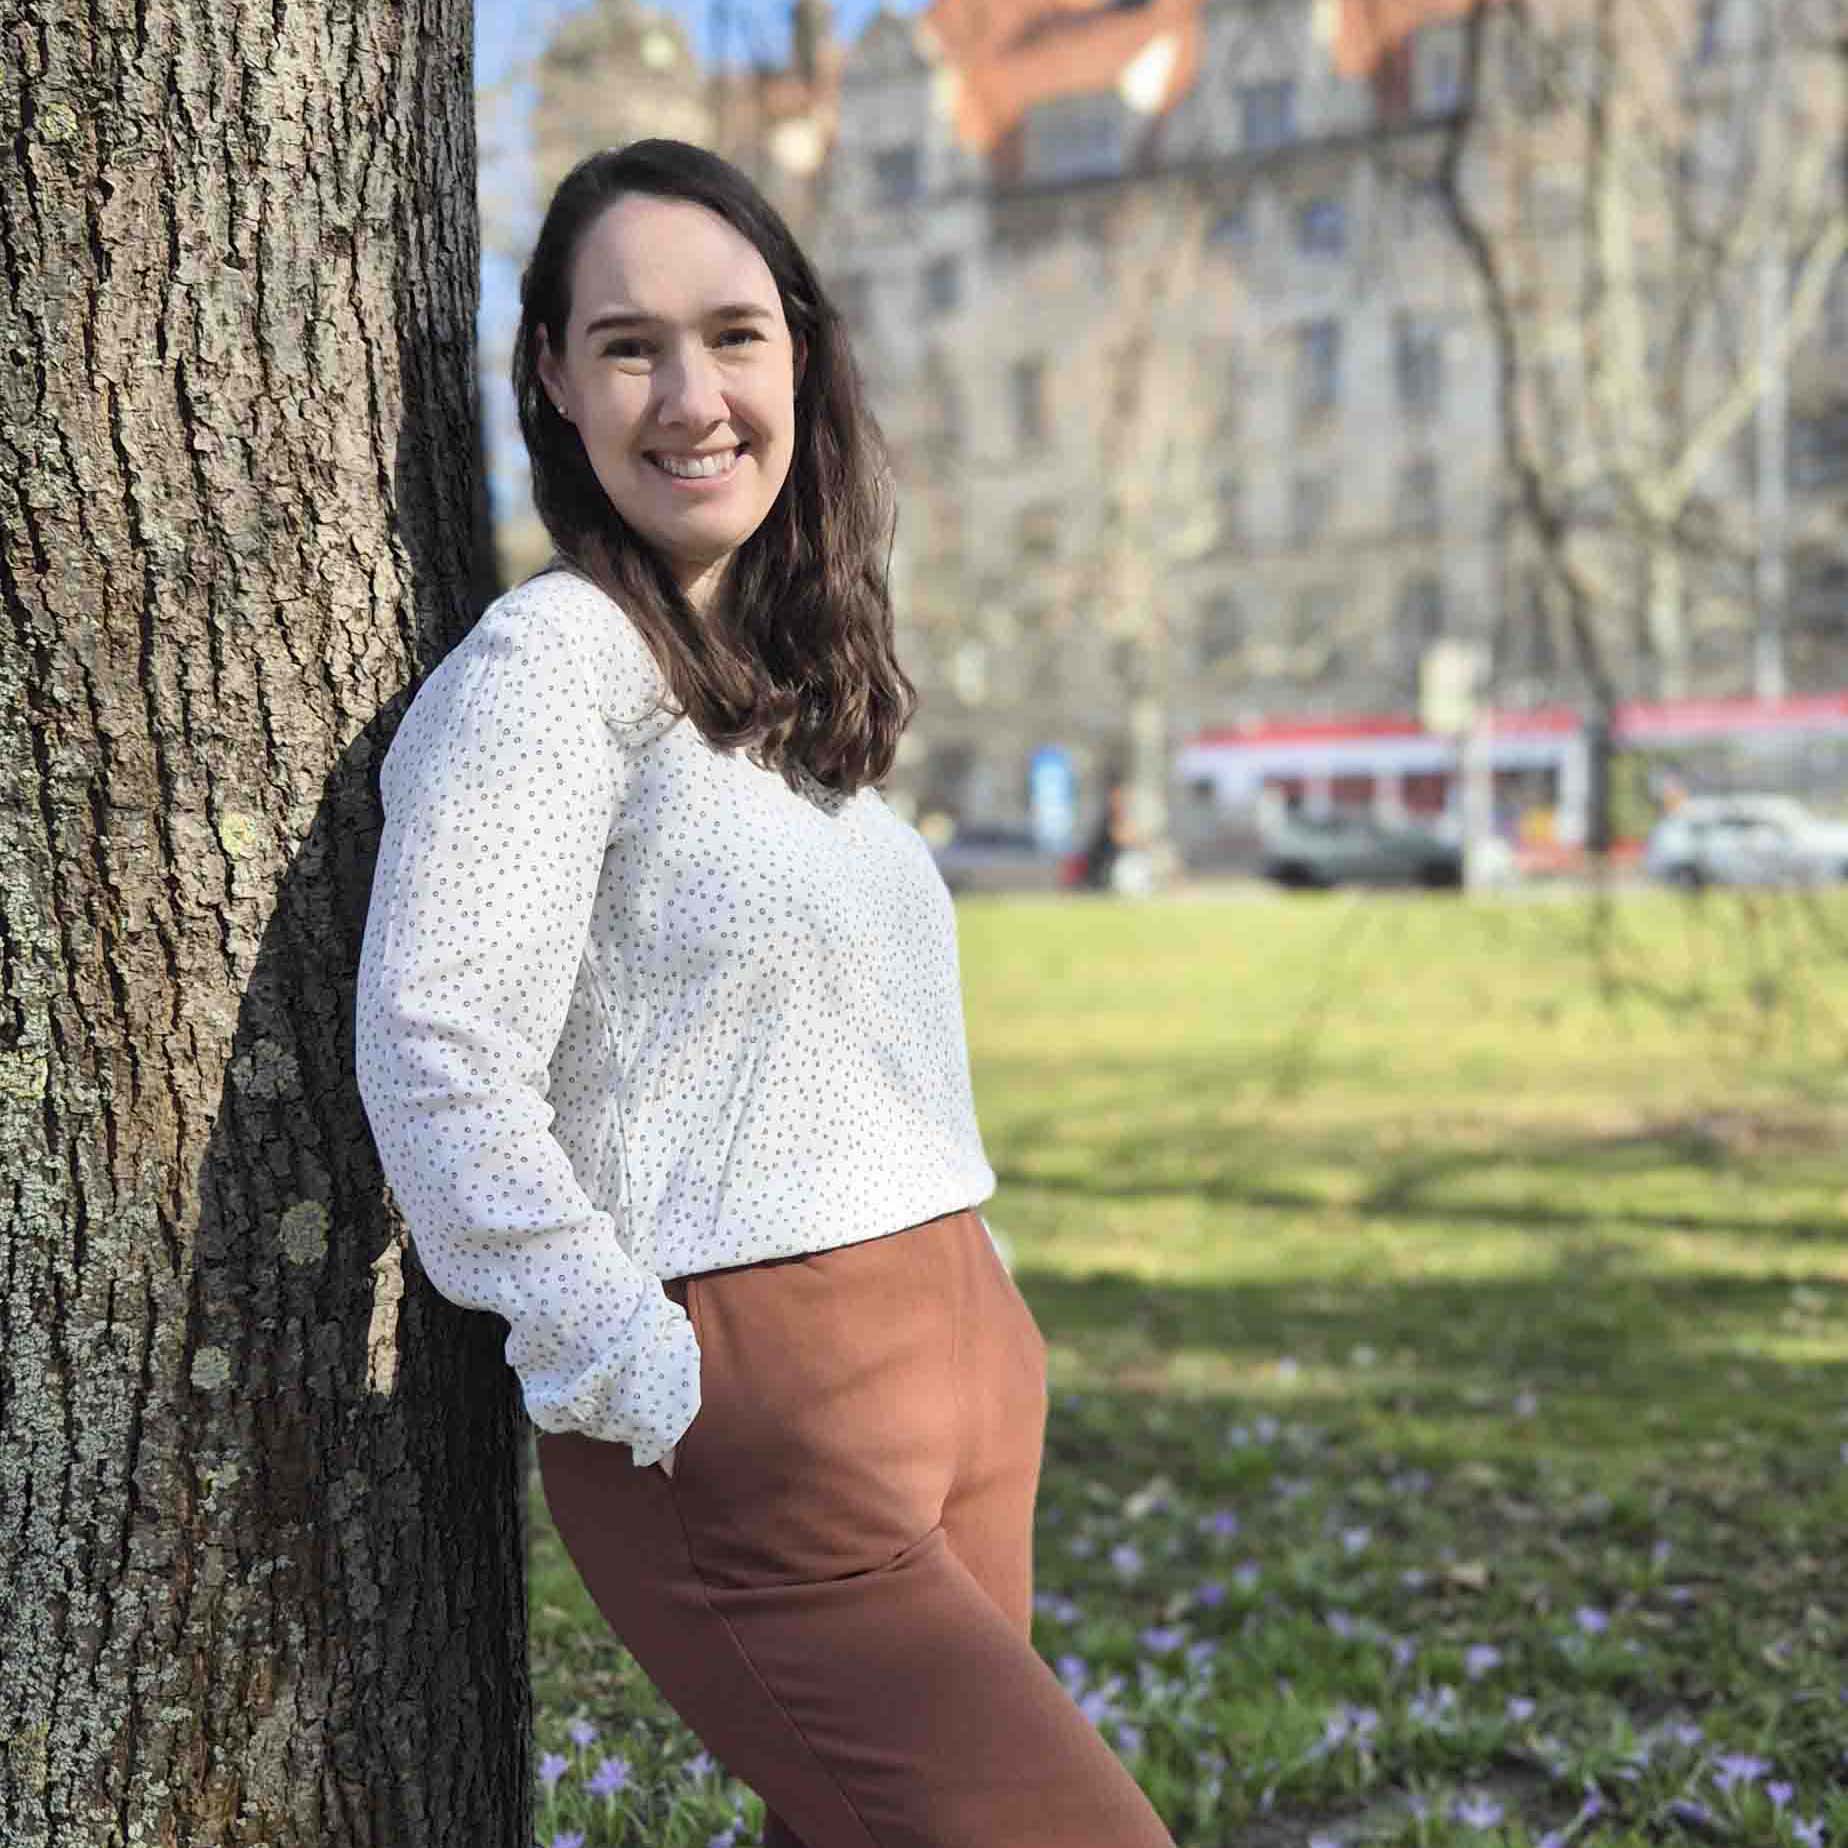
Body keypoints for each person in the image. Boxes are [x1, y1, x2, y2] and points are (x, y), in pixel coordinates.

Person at [353, 139, 1176, 1848]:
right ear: (554, 385)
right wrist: (631, 1366)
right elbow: (435, 1044)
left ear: (800, 355)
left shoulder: (786, 687)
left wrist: (984, 1289)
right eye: (629, 344)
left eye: (733, 333)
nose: (690, 394)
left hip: (952, 1364)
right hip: (750, 1422)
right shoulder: (550, 666)